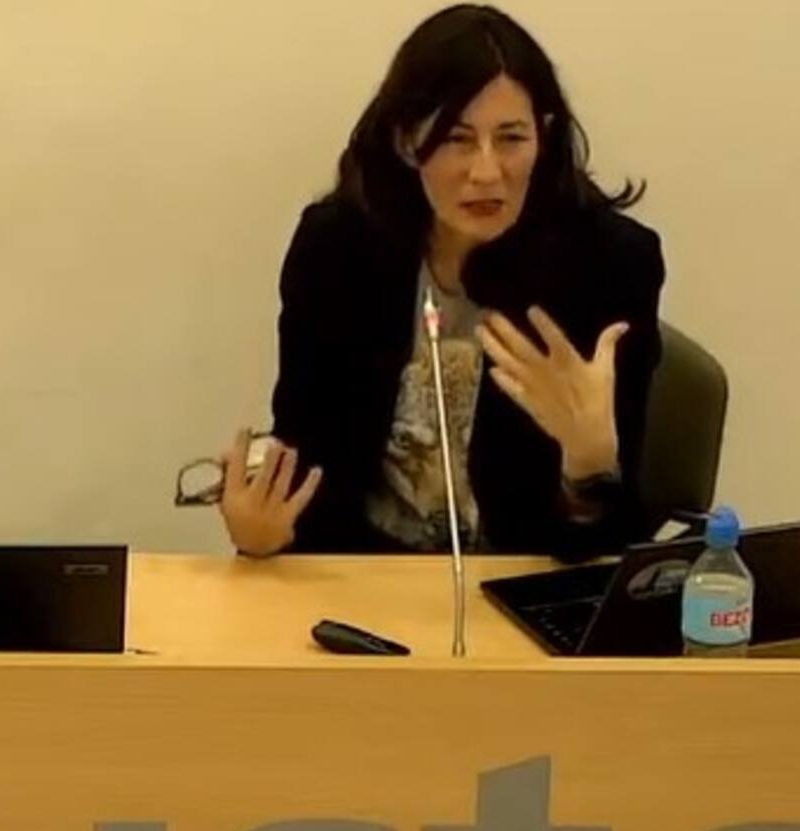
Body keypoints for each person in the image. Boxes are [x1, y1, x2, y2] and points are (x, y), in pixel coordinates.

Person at [218, 3, 665, 561]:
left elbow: (609, 546)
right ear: (407, 140)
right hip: (368, 576)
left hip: (521, 578)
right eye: (457, 139)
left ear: (543, 137)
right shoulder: (337, 250)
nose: (486, 172)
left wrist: (590, 465)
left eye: (511, 138)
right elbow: (307, 459)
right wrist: (263, 534)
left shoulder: (609, 265)